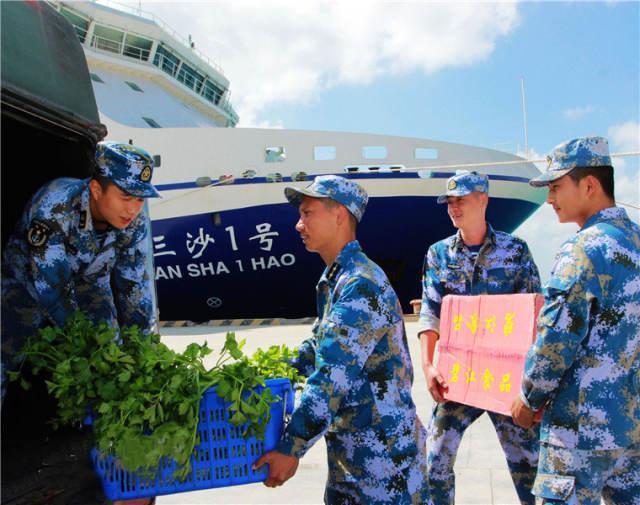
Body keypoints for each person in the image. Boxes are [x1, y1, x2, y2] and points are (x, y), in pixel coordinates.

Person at [1, 140, 161, 505]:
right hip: (23, 293)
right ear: (95, 188)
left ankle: (111, 467)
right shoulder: (54, 206)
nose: (133, 209)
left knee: (115, 359)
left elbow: (136, 287)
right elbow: (52, 291)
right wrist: (92, 354)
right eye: (125, 197)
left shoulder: (133, 219)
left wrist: (143, 354)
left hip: (90, 287)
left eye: (140, 199)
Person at [254, 175, 428, 504]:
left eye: (307, 213)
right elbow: (317, 349)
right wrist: (261, 375)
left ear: (339, 215)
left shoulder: (360, 284)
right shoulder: (338, 279)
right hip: (353, 457)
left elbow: (332, 376)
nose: (298, 225)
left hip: (384, 466)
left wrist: (291, 447)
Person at [511, 136, 640, 504]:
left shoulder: (583, 249)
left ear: (589, 185)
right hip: (630, 429)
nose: (550, 199)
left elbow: (556, 339)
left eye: (555, 187)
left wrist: (528, 396)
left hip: (579, 433)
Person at [418, 170, 541, 505]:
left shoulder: (515, 251)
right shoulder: (439, 254)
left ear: (483, 199)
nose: (454, 207)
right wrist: (428, 365)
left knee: (529, 466)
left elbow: (535, 317)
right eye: (450, 202)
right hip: (457, 379)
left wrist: (533, 385)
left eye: (462, 200)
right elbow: (430, 312)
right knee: (435, 460)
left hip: (506, 381)